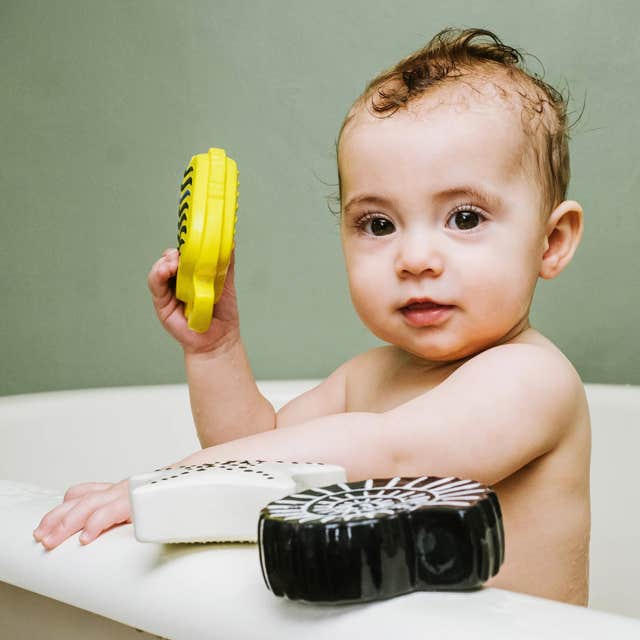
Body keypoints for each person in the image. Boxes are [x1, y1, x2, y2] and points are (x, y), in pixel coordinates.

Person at [33, 27, 590, 606]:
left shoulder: (532, 379)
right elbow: (258, 452)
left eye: (465, 218)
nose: (416, 259)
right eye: (379, 224)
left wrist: (170, 482)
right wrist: (216, 351)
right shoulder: (368, 377)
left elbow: (391, 450)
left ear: (550, 242)